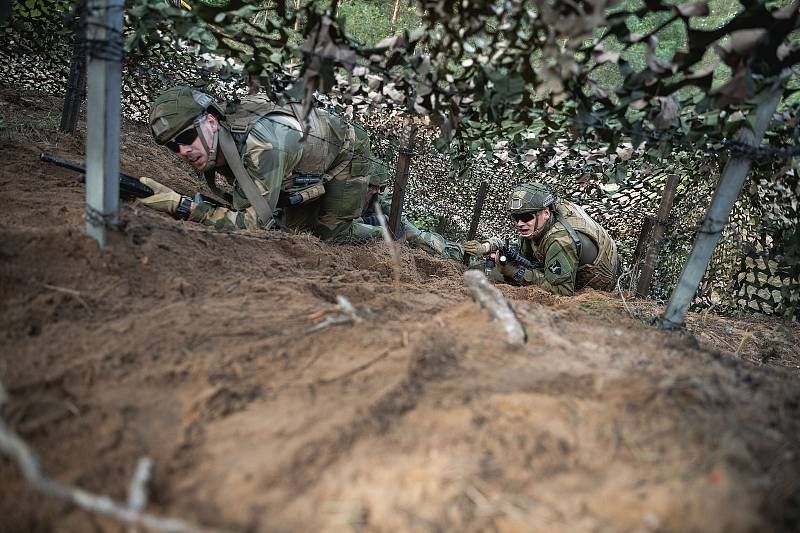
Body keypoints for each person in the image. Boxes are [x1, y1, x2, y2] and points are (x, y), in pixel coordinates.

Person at [139, 85, 374, 242]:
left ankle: (400, 235)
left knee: (331, 237)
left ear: (211, 121)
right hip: (301, 164)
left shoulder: (261, 145)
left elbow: (253, 225)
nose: (182, 151)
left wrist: (181, 206)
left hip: (346, 152)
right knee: (294, 230)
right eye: (173, 146)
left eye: (186, 137)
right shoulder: (222, 135)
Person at [463, 182, 619, 295]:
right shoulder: (539, 225)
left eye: (525, 217)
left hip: (595, 284)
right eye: (516, 217)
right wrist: (487, 246)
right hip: (564, 267)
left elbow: (562, 291)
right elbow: (516, 248)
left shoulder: (560, 240)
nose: (519, 223)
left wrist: (517, 273)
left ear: (546, 213)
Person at [351, 162, 464, 262]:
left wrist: (445, 251)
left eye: (380, 187)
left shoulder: (382, 196)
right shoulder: (344, 189)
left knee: (414, 237)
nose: (375, 191)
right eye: (371, 186)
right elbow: (340, 227)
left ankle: (455, 251)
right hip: (346, 233)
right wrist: (380, 230)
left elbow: (408, 230)